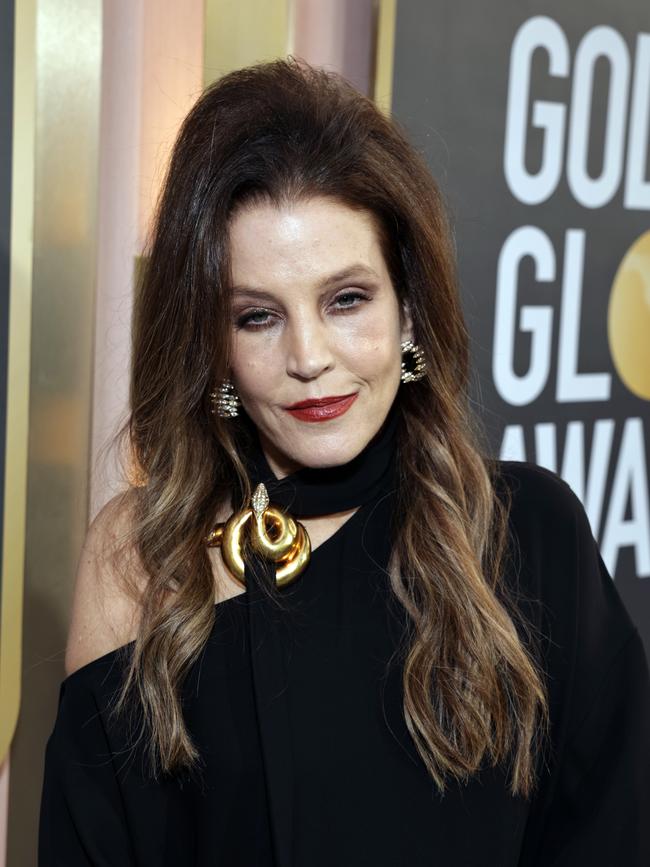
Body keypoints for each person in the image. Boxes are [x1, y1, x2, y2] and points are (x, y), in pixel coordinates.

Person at [38, 58, 649, 866]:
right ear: (212, 346)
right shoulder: (139, 555)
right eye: (258, 317)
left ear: (409, 310)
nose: (309, 357)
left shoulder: (530, 534)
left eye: (346, 300)